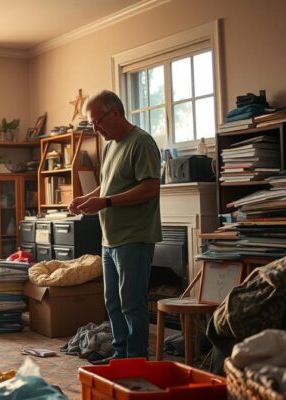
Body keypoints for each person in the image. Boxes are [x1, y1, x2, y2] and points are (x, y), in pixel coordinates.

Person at [69, 90, 162, 362]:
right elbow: (109, 183)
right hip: (110, 238)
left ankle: (135, 359)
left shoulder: (141, 142)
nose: (96, 128)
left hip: (134, 237)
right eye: (92, 124)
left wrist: (106, 202)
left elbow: (150, 188)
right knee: (112, 302)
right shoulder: (111, 145)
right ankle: (119, 355)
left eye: (98, 121)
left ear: (116, 113)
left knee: (132, 305)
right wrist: (87, 198)